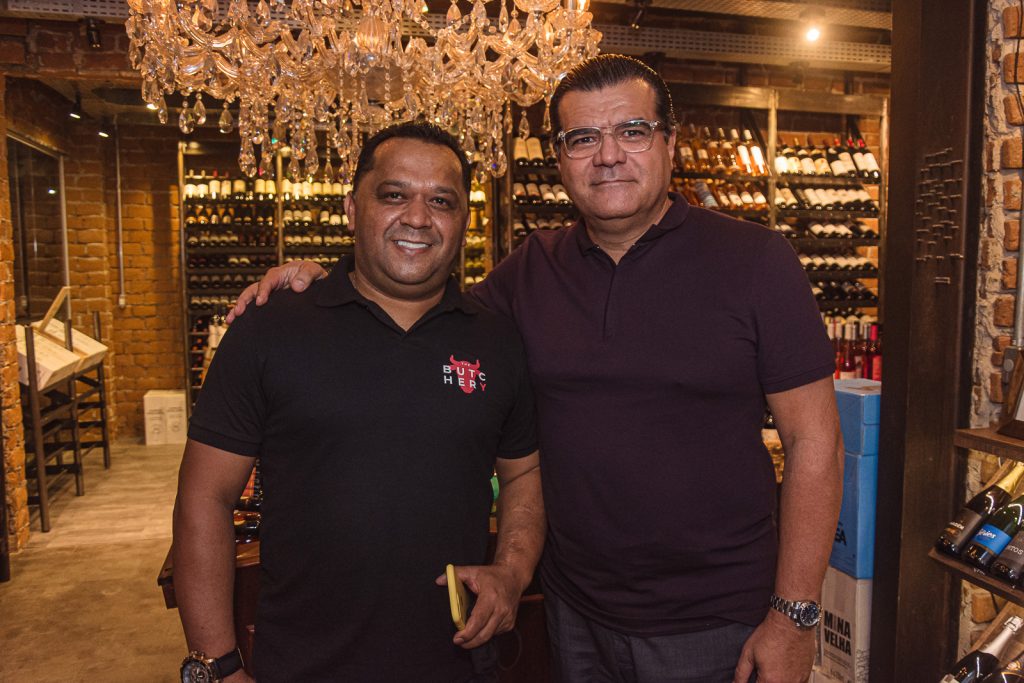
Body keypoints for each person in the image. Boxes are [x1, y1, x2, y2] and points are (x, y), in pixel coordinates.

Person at [231, 55, 843, 683]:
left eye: (632, 131)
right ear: (559, 157)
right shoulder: (531, 269)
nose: (608, 156)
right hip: (573, 613)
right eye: (583, 138)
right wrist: (323, 278)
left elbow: (815, 443)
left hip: (716, 622)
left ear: (669, 142)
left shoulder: (756, 262)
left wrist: (794, 616)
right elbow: (420, 302)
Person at [173, 122, 544, 683]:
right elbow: (205, 496)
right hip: (303, 666)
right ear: (351, 210)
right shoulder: (271, 329)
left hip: (457, 664)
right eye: (394, 195)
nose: (417, 218)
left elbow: (523, 475)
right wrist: (218, 666)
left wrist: (512, 571)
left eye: (441, 201)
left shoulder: (498, 340)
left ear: (463, 220)